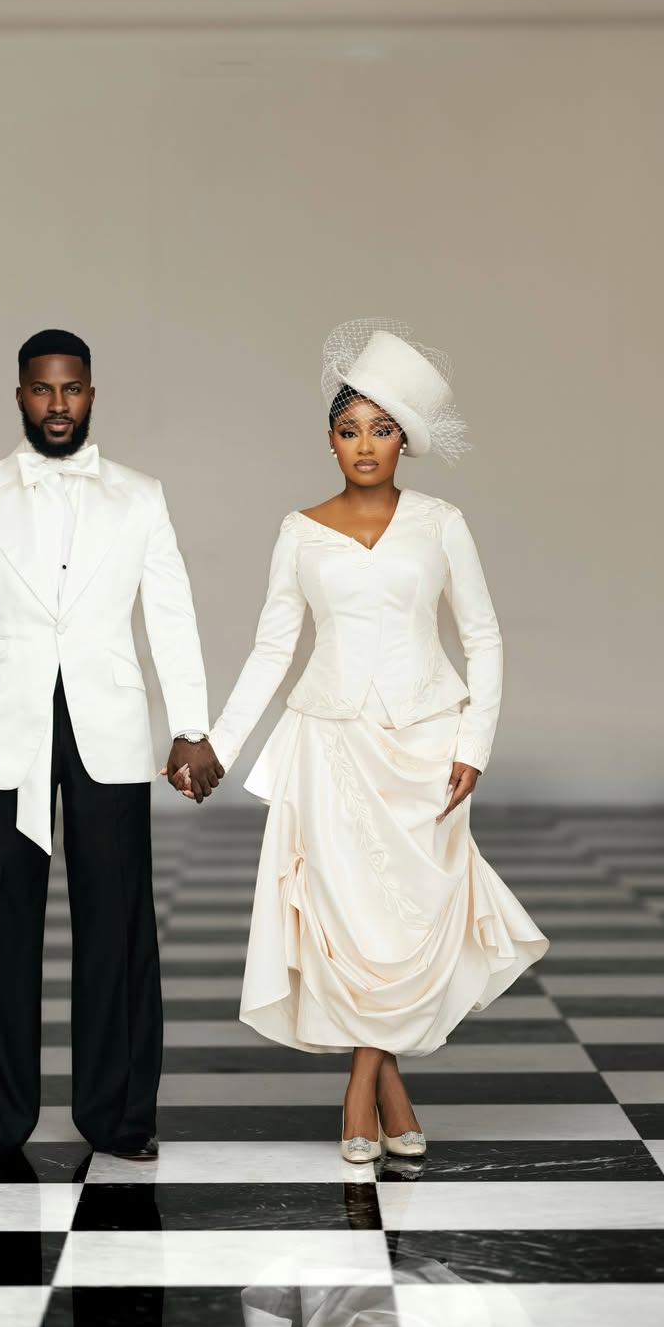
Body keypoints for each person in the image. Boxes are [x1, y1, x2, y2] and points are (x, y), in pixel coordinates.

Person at [193, 318, 549, 1163]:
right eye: (350, 430)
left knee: (412, 919)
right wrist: (215, 742)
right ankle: (377, 1085)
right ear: (330, 441)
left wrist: (476, 743)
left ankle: (365, 1081)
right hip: (331, 745)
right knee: (349, 921)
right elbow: (274, 647)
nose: (365, 445)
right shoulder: (299, 531)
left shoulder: (441, 523)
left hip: (429, 745)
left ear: (405, 443)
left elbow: (485, 637)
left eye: (382, 430)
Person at [0, 327, 223, 1178]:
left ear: (93, 393)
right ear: (19, 394)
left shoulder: (140, 495)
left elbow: (171, 614)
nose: (58, 405)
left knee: (118, 921)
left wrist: (191, 726)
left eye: (73, 389)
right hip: (2, 732)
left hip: (110, 728)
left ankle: (120, 1115)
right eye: (42, 389)